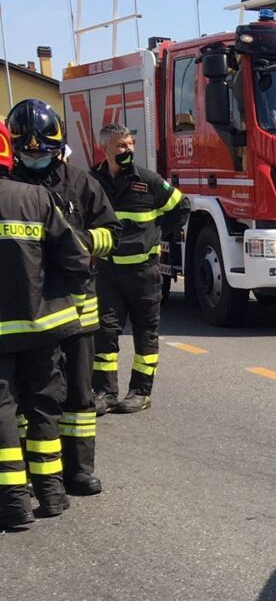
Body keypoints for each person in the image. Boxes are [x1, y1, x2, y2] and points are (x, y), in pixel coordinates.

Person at [7, 100, 120, 495]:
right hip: (30, 312)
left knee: (78, 396)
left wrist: (78, 242)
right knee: (30, 399)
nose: (35, 157)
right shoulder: (9, 185)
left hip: (77, 309)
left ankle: (78, 470)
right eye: (27, 151)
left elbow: (112, 233)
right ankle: (34, 473)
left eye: (43, 150)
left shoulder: (80, 183)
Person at [0, 119, 93, 528]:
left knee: (3, 411)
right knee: (42, 407)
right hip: (42, 327)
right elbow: (75, 260)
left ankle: (14, 504)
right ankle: (51, 495)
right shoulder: (37, 198)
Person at [90, 124, 190, 414]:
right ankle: (105, 393)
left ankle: (140, 393)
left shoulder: (147, 181)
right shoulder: (92, 181)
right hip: (108, 274)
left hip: (144, 273)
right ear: (105, 149)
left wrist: (157, 234)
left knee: (145, 333)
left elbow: (180, 206)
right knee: (106, 334)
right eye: (121, 146)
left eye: (131, 144)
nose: (128, 150)